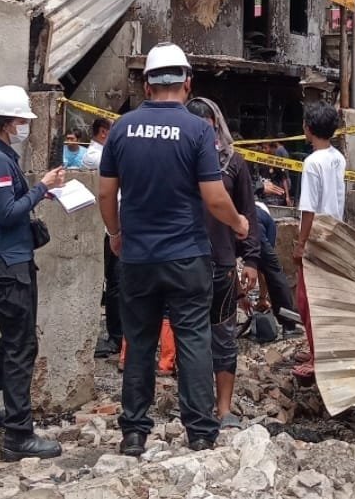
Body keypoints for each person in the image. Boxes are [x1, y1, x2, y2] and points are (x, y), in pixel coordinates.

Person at [97, 42, 249, 457]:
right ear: (187, 83)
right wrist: (238, 223)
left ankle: (133, 433)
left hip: (139, 257)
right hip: (187, 257)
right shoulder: (198, 130)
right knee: (193, 339)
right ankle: (200, 431)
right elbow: (215, 197)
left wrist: (115, 233)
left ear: (147, 85)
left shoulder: (122, 128)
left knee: (140, 340)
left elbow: (106, 193)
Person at [0, 85, 66, 461]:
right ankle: (18, 436)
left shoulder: (1, 156)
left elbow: (12, 205)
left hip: (10, 263)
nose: (27, 127)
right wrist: (42, 188)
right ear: (9, 123)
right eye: (23, 121)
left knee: (12, 339)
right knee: (22, 346)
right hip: (7, 266)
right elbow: (6, 214)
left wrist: (39, 194)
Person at [186, 97, 260, 430]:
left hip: (222, 263)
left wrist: (252, 260)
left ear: (216, 125)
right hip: (185, 262)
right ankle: (195, 406)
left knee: (224, 335)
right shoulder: (179, 161)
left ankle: (223, 408)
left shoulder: (232, 163)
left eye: (208, 127)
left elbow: (248, 213)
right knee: (191, 336)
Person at [292, 102, 346, 380]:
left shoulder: (312, 162)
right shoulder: (337, 158)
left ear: (308, 129)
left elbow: (309, 209)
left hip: (316, 238)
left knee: (307, 300)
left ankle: (318, 357)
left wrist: (301, 244)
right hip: (335, 233)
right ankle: (319, 349)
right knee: (325, 298)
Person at [88, 116, 122, 359]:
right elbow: (107, 193)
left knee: (118, 283)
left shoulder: (104, 155)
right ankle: (116, 336)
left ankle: (118, 336)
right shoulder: (96, 156)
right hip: (111, 228)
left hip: (116, 226)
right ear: (103, 133)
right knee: (116, 284)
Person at [255, 202, 303, 337]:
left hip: (233, 223)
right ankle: (289, 326)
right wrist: (263, 298)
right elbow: (266, 267)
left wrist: (243, 295)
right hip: (253, 227)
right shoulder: (267, 221)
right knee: (275, 274)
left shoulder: (244, 206)